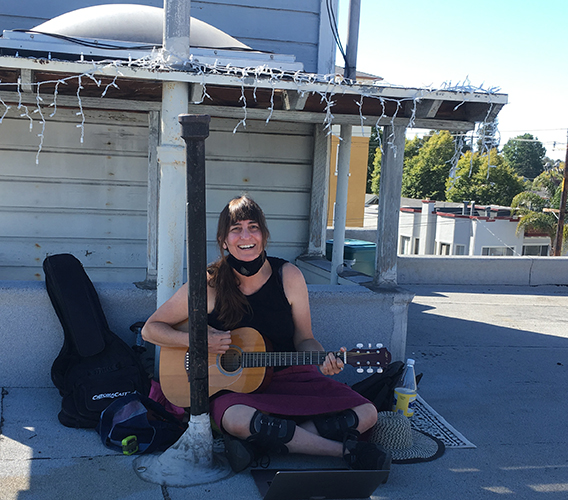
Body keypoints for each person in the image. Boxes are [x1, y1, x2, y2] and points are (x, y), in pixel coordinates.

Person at [142, 195, 390, 472]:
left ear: (264, 235)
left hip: (290, 377)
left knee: (367, 412)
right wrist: (199, 341)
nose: (245, 235)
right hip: (238, 391)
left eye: (253, 227)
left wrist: (321, 358)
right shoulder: (208, 284)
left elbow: (304, 338)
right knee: (235, 418)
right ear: (224, 240)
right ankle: (341, 450)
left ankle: (264, 441)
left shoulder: (289, 276)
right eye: (236, 229)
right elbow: (151, 329)